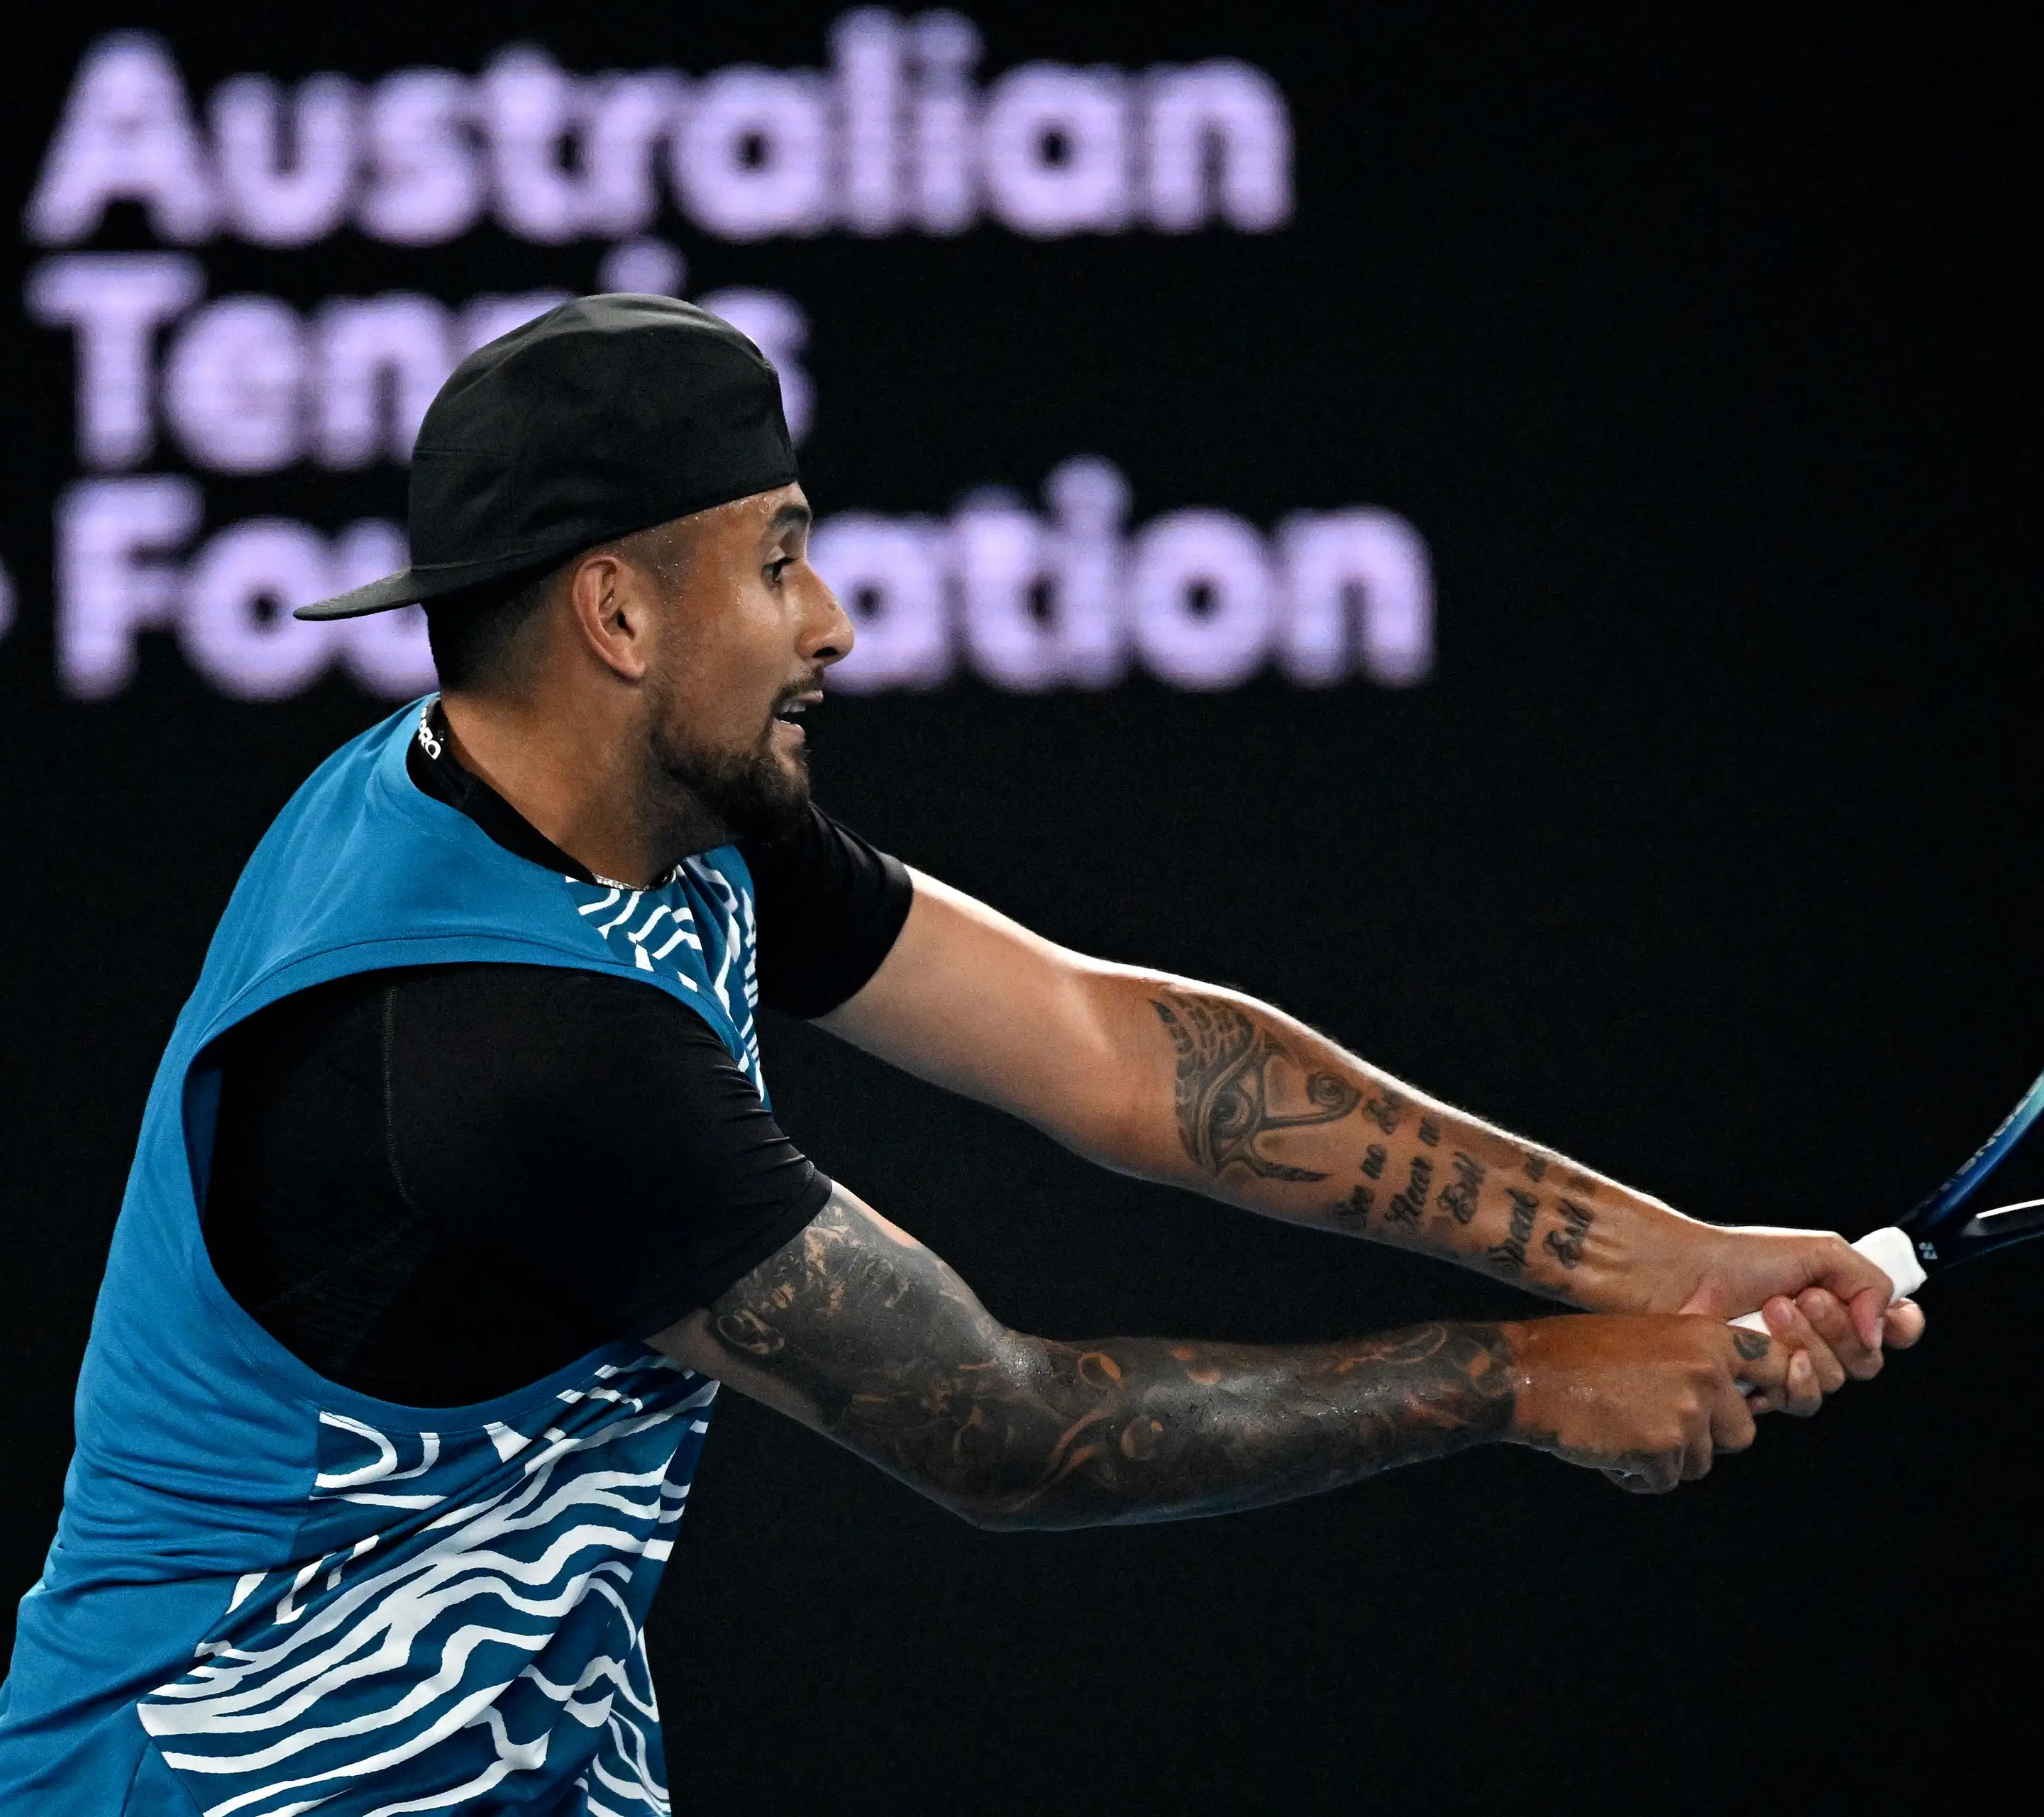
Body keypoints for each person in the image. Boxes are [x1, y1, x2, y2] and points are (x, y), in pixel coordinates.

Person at [0, 296, 1922, 1813]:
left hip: (492, 1748)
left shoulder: (602, 794)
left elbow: (1112, 1049)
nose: (830, 623)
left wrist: (1651, 1260)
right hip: (212, 1782)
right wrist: (1521, 1380)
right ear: (616, 613)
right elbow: (1013, 1431)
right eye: (778, 563)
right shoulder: (511, 1054)